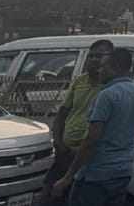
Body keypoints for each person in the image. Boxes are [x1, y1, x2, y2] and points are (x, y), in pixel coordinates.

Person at [52, 48, 134, 206]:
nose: (99, 70)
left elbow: (91, 139)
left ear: (115, 67)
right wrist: (127, 160)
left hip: (96, 175)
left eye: (103, 66)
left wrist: (68, 176)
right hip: (122, 173)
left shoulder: (107, 95)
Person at [43, 39, 113, 206]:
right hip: (65, 153)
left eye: (99, 56)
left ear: (110, 59)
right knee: (48, 197)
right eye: (91, 56)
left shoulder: (113, 86)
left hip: (90, 157)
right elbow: (62, 114)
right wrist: (58, 144)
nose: (93, 60)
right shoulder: (79, 81)